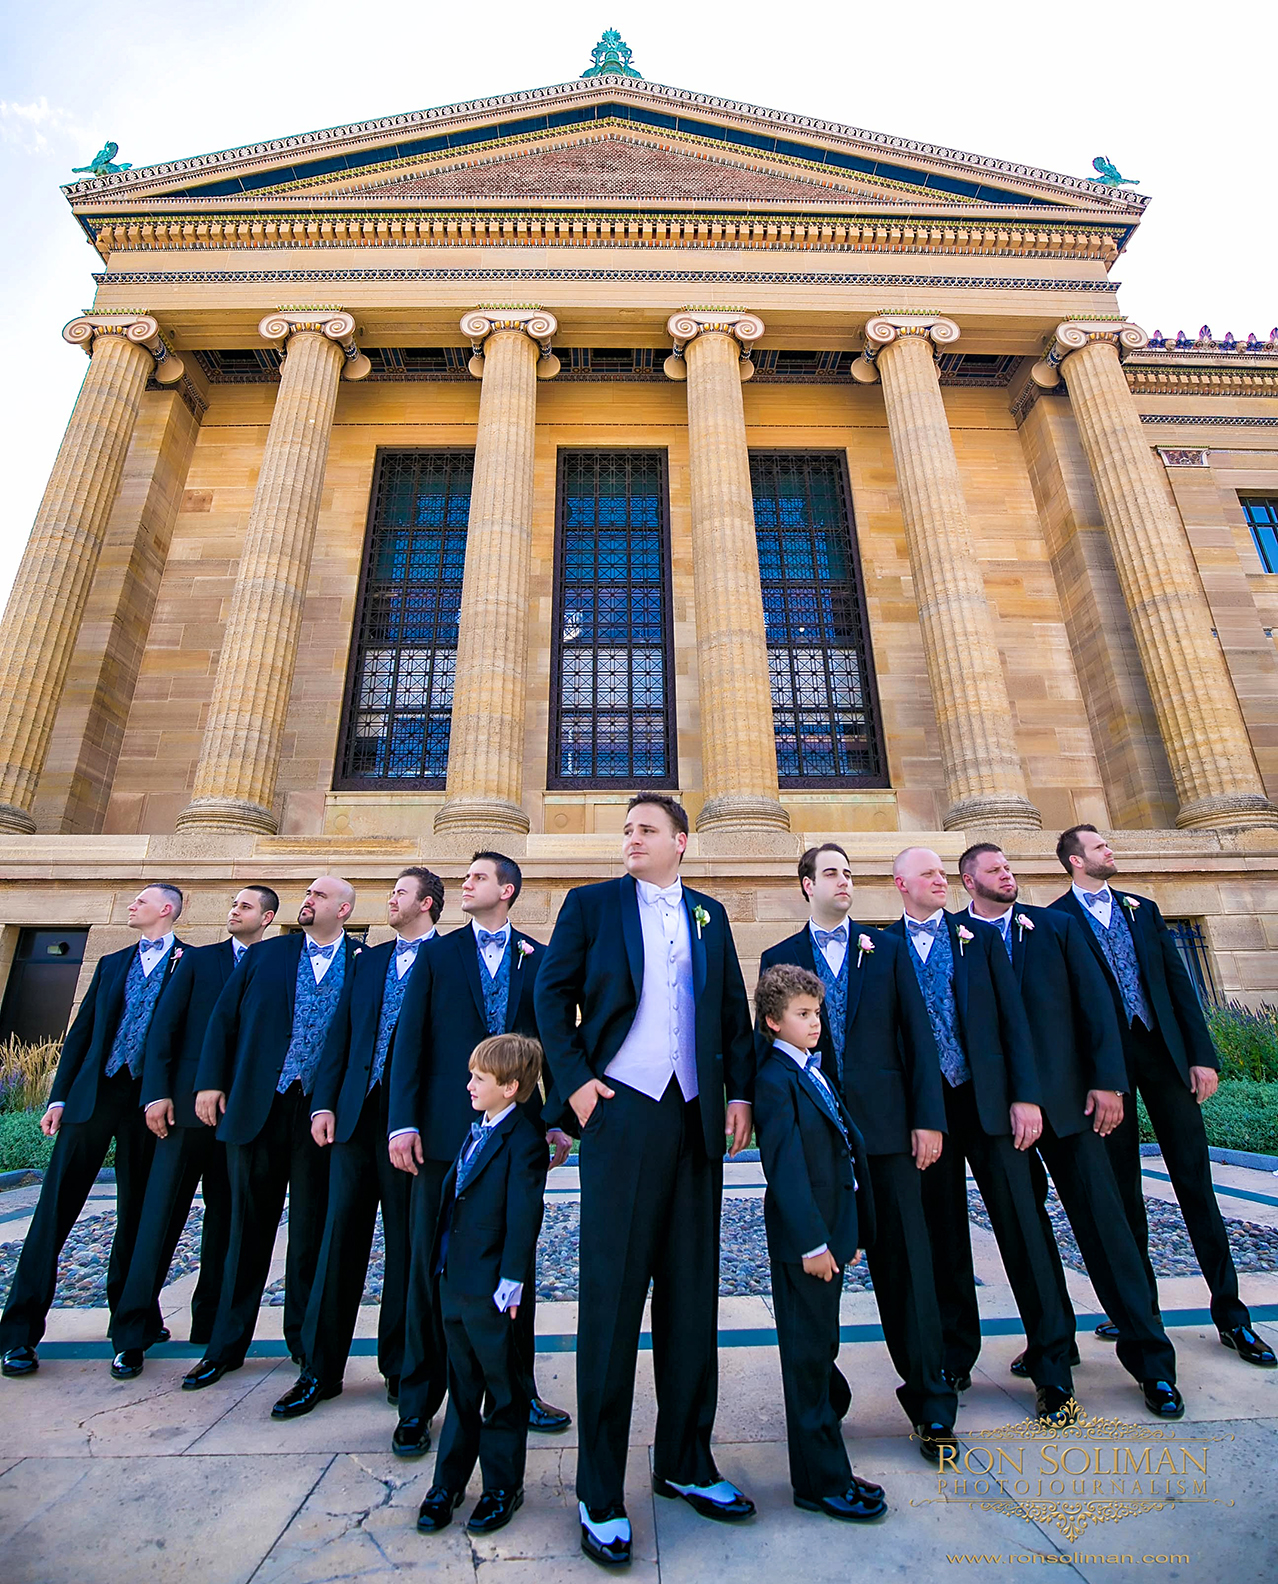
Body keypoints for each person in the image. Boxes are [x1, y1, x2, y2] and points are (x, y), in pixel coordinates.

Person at [536, 793, 757, 1569]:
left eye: (647, 830)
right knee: (611, 1301)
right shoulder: (590, 905)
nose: (632, 839)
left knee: (692, 1298)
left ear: (681, 843)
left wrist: (738, 1094)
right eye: (627, 830)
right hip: (621, 1114)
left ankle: (685, 1463)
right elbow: (549, 995)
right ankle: (600, 1491)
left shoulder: (710, 915)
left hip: (693, 1118)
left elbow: (731, 1011)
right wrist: (579, 1085)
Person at [960, 843, 1186, 1418]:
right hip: (999, 1117)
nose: (1007, 874)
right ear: (969, 881)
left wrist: (1110, 1081)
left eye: (1009, 867)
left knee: (1107, 1230)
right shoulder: (951, 938)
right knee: (1026, 1243)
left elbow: (1097, 1007)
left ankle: (1152, 1361)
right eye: (994, 869)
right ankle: (1052, 1364)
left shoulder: (1056, 927)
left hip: (1073, 1106)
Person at [1051, 825, 1275, 1370]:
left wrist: (1202, 1056)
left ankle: (1232, 1315)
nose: (1111, 851)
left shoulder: (1143, 909)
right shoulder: (1054, 921)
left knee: (1196, 1184)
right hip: (1107, 1073)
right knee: (1124, 1194)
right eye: (1100, 847)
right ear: (1077, 861)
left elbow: (1179, 986)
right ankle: (1138, 1313)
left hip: (1165, 1058)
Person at [759, 843, 957, 1460]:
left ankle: (931, 1403)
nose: (845, 882)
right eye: (832, 873)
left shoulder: (888, 948)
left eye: (849, 873)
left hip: (892, 1134)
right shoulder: (779, 958)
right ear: (805, 885)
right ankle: (827, 1393)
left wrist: (928, 1119)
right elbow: (768, 1053)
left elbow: (918, 1039)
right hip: (818, 1143)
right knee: (820, 1273)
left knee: (908, 1272)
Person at [387, 852, 572, 1457]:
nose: (465, 884)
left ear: (508, 890)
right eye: (464, 879)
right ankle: (417, 1401)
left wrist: (558, 1123)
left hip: (515, 1143)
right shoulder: (436, 955)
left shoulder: (538, 958)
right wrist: (403, 1123)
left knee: (514, 1265)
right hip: (442, 1135)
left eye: (477, 878)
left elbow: (552, 1045)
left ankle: (518, 1392)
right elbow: (409, 1041)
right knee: (427, 1266)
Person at [887, 847, 1077, 1427]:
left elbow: (1013, 1023)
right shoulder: (884, 948)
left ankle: (1052, 1368)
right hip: (929, 1113)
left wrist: (1026, 1097)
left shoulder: (980, 937)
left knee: (1022, 1224)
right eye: (929, 874)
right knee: (942, 1232)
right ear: (900, 884)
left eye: (944, 873)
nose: (941, 880)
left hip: (991, 1103)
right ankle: (954, 1353)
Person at [271, 867, 443, 1420]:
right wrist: (323, 1102)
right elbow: (340, 1036)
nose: (389, 900)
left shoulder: (450, 958)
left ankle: (399, 1365)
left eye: (399, 893)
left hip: (413, 1125)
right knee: (336, 1240)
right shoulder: (365, 961)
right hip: (353, 1119)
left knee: (407, 1247)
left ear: (428, 903)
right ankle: (319, 1369)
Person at [0, 884, 187, 1377]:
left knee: (139, 1215)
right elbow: (81, 1033)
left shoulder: (192, 963)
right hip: (94, 1097)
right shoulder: (111, 964)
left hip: (150, 1103)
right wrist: (58, 1096)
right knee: (53, 1209)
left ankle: (132, 1327)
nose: (131, 906)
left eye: (140, 901)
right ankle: (18, 1332)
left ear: (165, 910)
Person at [182, 876, 359, 1389]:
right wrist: (210, 1083)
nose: (307, 901)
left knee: (311, 1232)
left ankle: (305, 1348)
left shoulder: (363, 961)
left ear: (343, 909)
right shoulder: (265, 955)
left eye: (319, 896)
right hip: (258, 1106)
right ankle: (225, 1345)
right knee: (244, 1230)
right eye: (306, 894)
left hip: (320, 1117)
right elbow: (223, 1020)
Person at [109, 885, 278, 1380]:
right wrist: (156, 1094)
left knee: (229, 1225)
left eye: (245, 906)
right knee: (159, 1220)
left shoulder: (274, 964)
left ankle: (210, 1325)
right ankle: (133, 1332)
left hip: (241, 1117)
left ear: (267, 918)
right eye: (234, 903)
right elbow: (164, 1029)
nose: (234, 910)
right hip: (185, 1113)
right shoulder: (197, 962)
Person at [752, 964, 885, 1523]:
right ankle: (820, 1481)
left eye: (817, 1012)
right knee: (808, 1361)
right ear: (772, 1022)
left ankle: (829, 1457)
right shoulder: (774, 1081)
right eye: (803, 1015)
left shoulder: (813, 1071)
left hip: (831, 1233)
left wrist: (846, 1233)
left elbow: (841, 1158)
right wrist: (812, 1242)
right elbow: (784, 1169)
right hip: (803, 1242)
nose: (815, 1023)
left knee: (821, 1348)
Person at [414, 1034, 550, 1538]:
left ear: (511, 1087)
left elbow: (523, 1214)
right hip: (455, 1282)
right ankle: (447, 1484)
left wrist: (513, 1278)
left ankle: (501, 1486)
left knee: (503, 1391)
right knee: (461, 1387)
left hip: (493, 1288)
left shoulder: (524, 1141)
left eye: (480, 1079)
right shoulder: (479, 1130)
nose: (469, 1085)